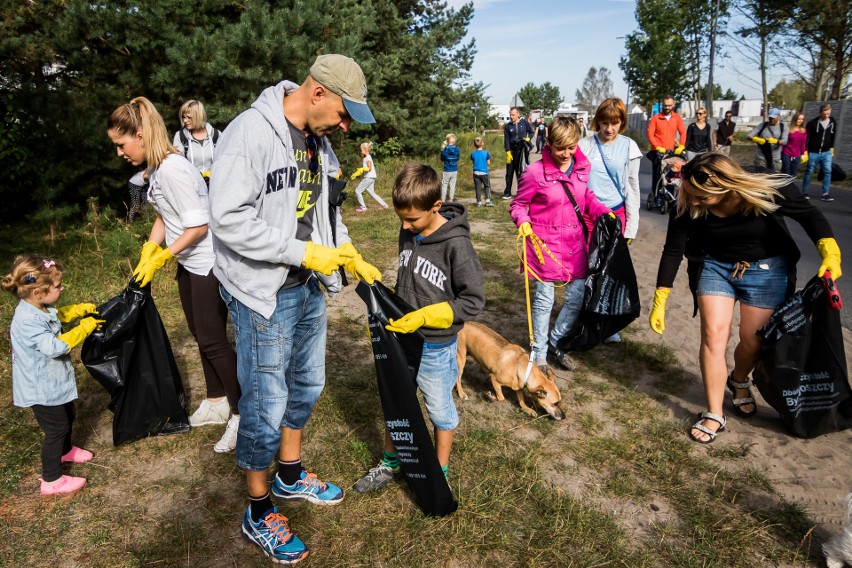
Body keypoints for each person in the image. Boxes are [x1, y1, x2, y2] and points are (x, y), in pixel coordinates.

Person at [207, 54, 382, 564]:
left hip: (307, 284)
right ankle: (259, 510)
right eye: (344, 114)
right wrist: (302, 252)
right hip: (262, 290)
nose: (346, 127)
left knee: (307, 384)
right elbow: (228, 218)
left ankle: (288, 475)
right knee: (265, 402)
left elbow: (325, 211)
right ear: (318, 92)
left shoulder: (318, 142)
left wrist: (346, 252)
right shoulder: (250, 133)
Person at [650, 152, 841, 444]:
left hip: (766, 270)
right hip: (714, 266)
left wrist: (830, 250)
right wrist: (661, 295)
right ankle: (714, 412)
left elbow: (809, 215)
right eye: (690, 195)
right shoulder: (689, 199)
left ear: (725, 187)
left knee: (754, 342)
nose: (694, 202)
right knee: (714, 336)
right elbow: (673, 249)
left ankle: (739, 380)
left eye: (702, 197)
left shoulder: (765, 186)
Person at [108, 97, 242, 454]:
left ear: (139, 134)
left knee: (213, 340)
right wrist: (147, 254)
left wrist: (164, 256)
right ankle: (216, 401)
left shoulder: (173, 169)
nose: (120, 152)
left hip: (209, 262)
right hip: (189, 262)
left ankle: (243, 414)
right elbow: (164, 216)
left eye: (121, 144)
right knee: (200, 335)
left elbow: (198, 226)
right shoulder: (155, 170)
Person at [353, 162, 484, 493]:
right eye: (401, 219)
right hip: (401, 339)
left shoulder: (457, 244)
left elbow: (473, 301)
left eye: (412, 219)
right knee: (397, 402)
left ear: (436, 206)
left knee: (439, 408)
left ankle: (439, 472)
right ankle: (390, 461)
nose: (405, 226)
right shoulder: (408, 231)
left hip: (436, 346)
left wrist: (428, 316)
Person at [510, 117, 613, 373]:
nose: (566, 154)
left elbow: (584, 196)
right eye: (560, 148)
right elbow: (518, 204)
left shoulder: (581, 166)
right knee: (544, 301)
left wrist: (601, 211)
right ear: (549, 143)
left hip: (574, 244)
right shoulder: (535, 172)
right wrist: (522, 221)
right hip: (543, 246)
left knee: (577, 298)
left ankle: (557, 341)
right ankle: (540, 354)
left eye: (571, 147)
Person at [3, 255, 102, 495]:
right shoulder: (26, 321)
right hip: (41, 388)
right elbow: (55, 347)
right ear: (38, 292)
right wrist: (83, 328)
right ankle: (51, 480)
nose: (62, 288)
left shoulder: (38, 307)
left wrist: (76, 311)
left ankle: (65, 450)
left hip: (53, 381)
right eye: (58, 286)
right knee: (55, 429)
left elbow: (56, 317)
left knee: (68, 414)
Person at [578, 97, 642, 243]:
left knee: (611, 264)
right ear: (598, 120)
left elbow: (632, 188)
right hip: (588, 215)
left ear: (622, 122)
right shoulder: (584, 145)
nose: (609, 129)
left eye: (615, 123)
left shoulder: (629, 147)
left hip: (616, 214)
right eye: (604, 122)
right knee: (585, 263)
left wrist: (631, 228)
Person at [646, 97, 686, 203]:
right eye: (665, 105)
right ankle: (656, 196)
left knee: (671, 175)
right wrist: (657, 146)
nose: (667, 107)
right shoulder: (656, 118)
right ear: (662, 105)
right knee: (658, 175)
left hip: (671, 152)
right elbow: (650, 134)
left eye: (669, 105)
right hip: (658, 151)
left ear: (673, 105)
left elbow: (683, 132)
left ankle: (669, 197)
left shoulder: (677, 118)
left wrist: (681, 145)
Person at [172, 100, 221, 183]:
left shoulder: (216, 135)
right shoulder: (181, 137)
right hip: (192, 184)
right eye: (183, 117)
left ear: (198, 116)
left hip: (215, 184)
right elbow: (177, 164)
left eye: (189, 117)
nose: (185, 121)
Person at [802, 104, 837, 202]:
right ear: (820, 112)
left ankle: (825, 193)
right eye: (824, 114)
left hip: (826, 152)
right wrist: (805, 151)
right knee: (809, 171)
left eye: (828, 113)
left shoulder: (832, 122)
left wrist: (832, 148)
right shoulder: (812, 123)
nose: (826, 116)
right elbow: (806, 138)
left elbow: (833, 136)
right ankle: (804, 192)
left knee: (827, 171)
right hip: (813, 152)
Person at [503, 107, 534, 199]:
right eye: (510, 115)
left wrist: (528, 138)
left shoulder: (524, 123)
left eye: (513, 115)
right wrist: (508, 151)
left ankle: (521, 192)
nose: (511, 116)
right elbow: (506, 140)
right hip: (511, 151)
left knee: (520, 172)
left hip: (521, 151)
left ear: (517, 114)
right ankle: (507, 192)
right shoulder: (508, 126)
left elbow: (531, 132)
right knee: (509, 172)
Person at [350, 141, 388, 211]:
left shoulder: (368, 158)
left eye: (361, 150)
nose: (360, 151)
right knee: (371, 192)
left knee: (357, 191)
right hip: (372, 177)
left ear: (366, 150)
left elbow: (369, 168)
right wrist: (358, 173)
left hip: (369, 177)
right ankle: (384, 205)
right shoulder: (366, 157)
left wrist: (362, 169)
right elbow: (366, 168)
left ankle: (363, 207)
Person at [747, 107, 787, 173]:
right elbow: (748, 136)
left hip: (775, 158)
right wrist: (756, 139)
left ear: (779, 117)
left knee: (774, 179)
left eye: (773, 118)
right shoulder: (763, 125)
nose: (771, 119)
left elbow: (785, 141)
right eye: (770, 117)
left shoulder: (783, 126)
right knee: (760, 178)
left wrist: (776, 141)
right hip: (761, 158)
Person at [781, 111, 807, 177]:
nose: (800, 121)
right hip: (786, 153)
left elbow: (803, 143)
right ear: (795, 119)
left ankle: (791, 186)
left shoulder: (803, 130)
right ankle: (784, 186)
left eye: (802, 119)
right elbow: (784, 141)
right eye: (799, 119)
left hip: (796, 155)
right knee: (786, 172)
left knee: (793, 173)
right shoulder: (788, 128)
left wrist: (803, 153)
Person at [470, 136, 494, 207]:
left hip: (476, 173)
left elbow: (473, 161)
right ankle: (487, 201)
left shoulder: (473, 153)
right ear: (482, 144)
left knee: (478, 187)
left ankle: (479, 202)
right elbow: (488, 163)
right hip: (484, 172)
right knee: (487, 186)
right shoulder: (486, 153)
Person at [440, 133, 461, 201]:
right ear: (454, 140)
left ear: (447, 141)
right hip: (454, 169)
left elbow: (442, 159)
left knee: (445, 184)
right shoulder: (457, 149)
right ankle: (451, 199)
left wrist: (442, 148)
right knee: (452, 185)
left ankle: (443, 199)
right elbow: (458, 158)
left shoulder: (445, 149)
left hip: (447, 169)